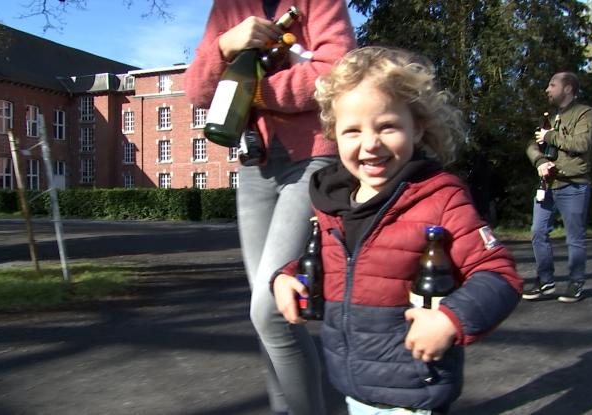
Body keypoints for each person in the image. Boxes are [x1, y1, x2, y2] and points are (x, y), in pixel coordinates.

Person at [272, 46, 523, 414]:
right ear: (334, 135)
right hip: (353, 385)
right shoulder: (334, 202)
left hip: (414, 389)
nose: (370, 144)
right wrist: (285, 277)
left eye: (387, 126)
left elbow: (499, 276)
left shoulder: (439, 198)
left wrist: (450, 318)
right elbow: (329, 262)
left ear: (417, 126)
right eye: (352, 131)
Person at [184, 1, 355, 414]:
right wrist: (225, 44)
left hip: (313, 157)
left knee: (270, 312)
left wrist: (256, 91)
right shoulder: (228, 7)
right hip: (254, 166)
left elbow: (338, 72)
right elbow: (197, 91)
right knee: (268, 316)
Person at [523, 71, 592, 303]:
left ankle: (576, 282)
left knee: (574, 238)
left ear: (567, 89)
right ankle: (545, 280)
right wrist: (540, 161)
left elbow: (582, 143)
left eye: (552, 84)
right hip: (547, 184)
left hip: (573, 185)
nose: (547, 89)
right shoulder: (549, 117)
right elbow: (532, 145)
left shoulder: (585, 113)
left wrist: (551, 136)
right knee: (537, 231)